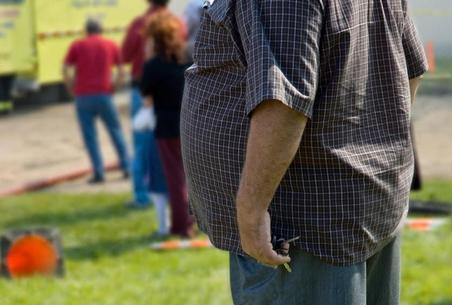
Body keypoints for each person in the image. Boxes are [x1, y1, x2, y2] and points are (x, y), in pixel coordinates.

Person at [181, 0, 427, 304]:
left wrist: (252, 209)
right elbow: (409, 71)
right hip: (362, 207)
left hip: (301, 228)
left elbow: (283, 100)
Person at [140, 11, 194, 238]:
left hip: (166, 126)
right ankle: (198, 221)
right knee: (192, 177)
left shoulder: (152, 65)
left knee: (174, 178)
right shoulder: (187, 58)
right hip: (190, 123)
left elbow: (146, 99)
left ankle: (181, 226)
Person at [63, 19, 130, 184]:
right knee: (115, 131)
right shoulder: (110, 44)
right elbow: (122, 71)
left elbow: (66, 68)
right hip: (104, 94)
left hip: (83, 96)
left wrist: (71, 86)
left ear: (86, 31)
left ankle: (99, 173)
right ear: (101, 30)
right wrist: (115, 86)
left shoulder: (77, 45)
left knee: (90, 137)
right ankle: (127, 167)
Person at [121, 0, 170, 208]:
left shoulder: (139, 23)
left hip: (141, 90)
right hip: (171, 90)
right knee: (170, 145)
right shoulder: (176, 23)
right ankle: (171, 194)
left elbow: (124, 55)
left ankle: (142, 196)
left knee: (141, 147)